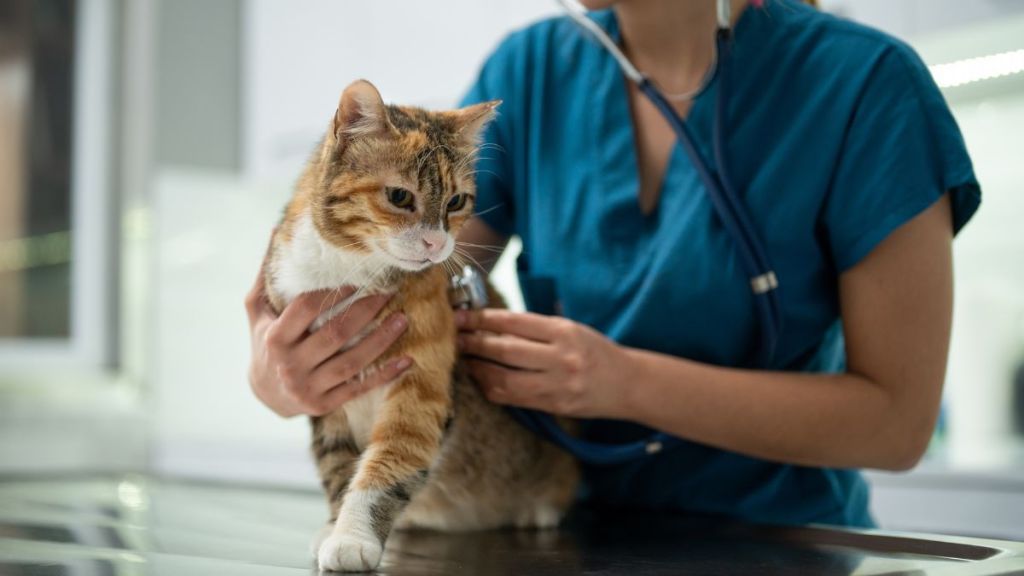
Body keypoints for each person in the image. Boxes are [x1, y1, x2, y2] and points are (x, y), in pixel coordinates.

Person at [245, 0, 980, 528]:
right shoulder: (533, 68)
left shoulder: (868, 87)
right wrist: (284, 375)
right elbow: (413, 272)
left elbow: (897, 426)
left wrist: (623, 383)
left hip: (784, 543)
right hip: (557, 526)